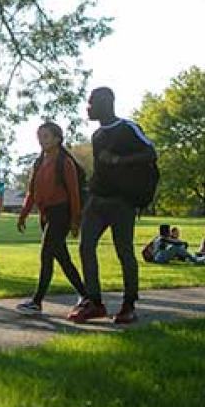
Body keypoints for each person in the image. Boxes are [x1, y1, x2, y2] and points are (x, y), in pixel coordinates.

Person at [68, 87, 158, 325]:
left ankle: (129, 304)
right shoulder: (97, 135)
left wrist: (120, 160)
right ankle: (94, 301)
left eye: (91, 103)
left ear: (106, 103)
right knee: (86, 246)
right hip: (97, 200)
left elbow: (151, 152)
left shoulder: (128, 128)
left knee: (124, 251)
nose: (88, 107)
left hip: (122, 202)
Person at [15, 122, 87, 315]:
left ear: (57, 139)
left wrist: (75, 221)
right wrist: (23, 214)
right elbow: (32, 191)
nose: (41, 140)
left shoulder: (65, 162)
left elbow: (74, 194)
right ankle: (85, 294)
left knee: (46, 254)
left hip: (61, 213)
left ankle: (36, 302)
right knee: (62, 257)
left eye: (46, 136)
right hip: (46, 214)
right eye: (39, 136)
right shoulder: (39, 162)